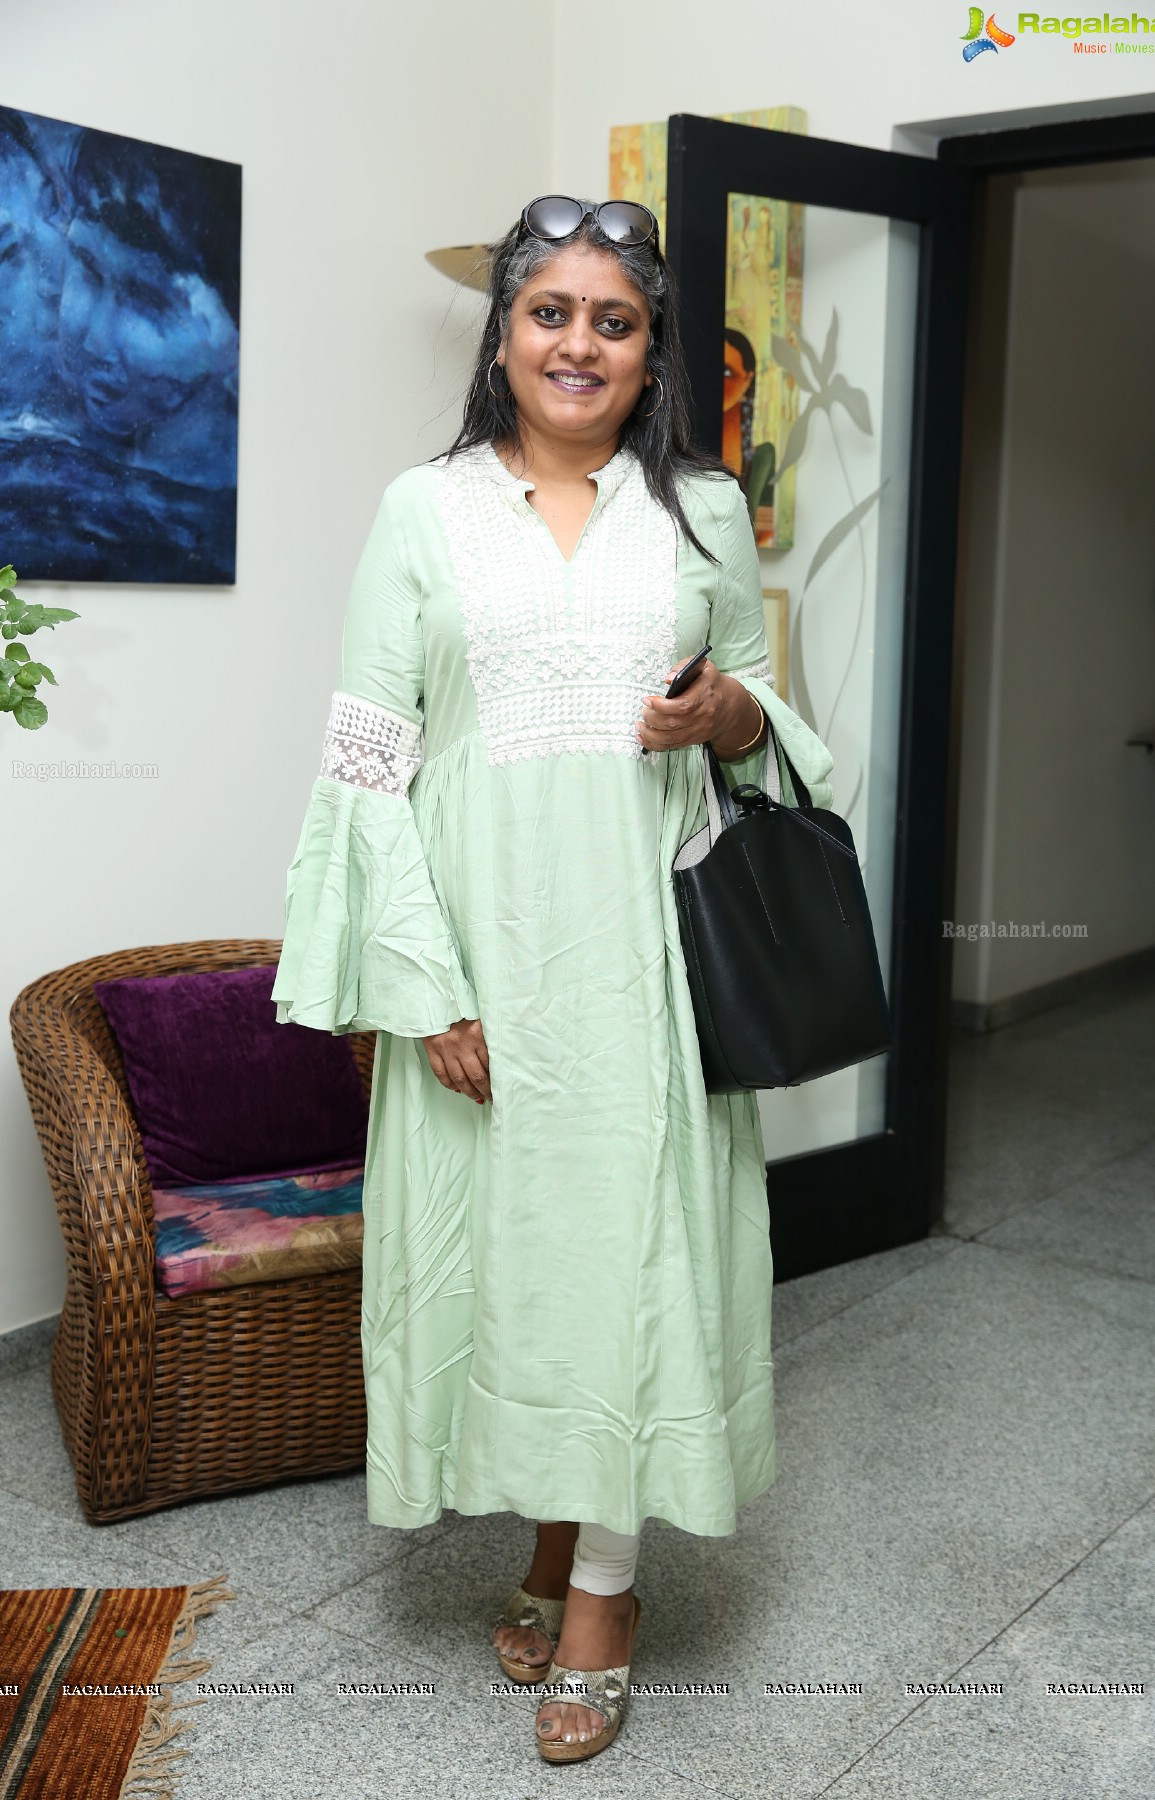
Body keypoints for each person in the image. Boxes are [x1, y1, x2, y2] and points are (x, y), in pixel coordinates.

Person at [271, 192, 835, 1765]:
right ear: (505, 331)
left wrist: (725, 710)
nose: (578, 342)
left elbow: (776, 727)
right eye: (550, 312)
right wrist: (421, 982)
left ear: (651, 353)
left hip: (641, 957)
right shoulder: (423, 511)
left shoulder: (702, 510)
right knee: (506, 1270)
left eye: (614, 320)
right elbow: (368, 760)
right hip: (471, 959)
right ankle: (548, 1537)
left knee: (629, 1260)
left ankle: (603, 1591)